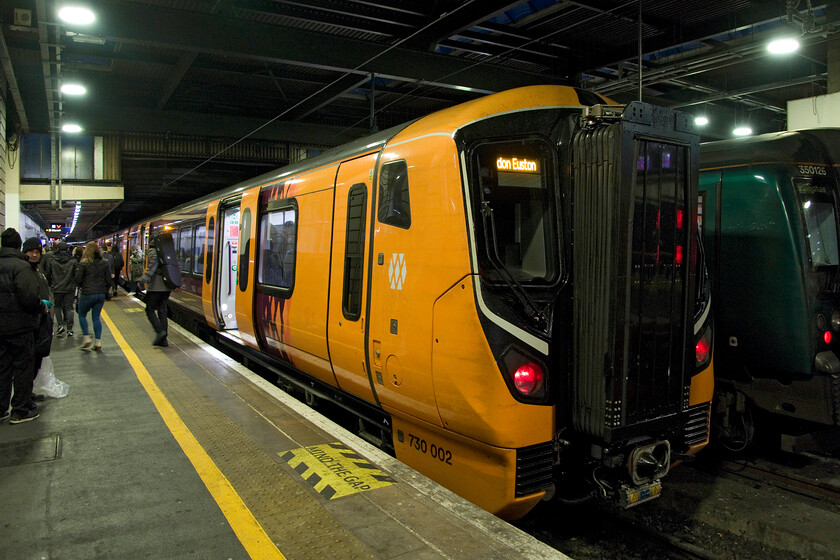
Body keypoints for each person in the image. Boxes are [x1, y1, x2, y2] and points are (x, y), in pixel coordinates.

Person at [0, 228, 48, 424]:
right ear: (19, 246)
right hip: (20, 327)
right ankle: (20, 410)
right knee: (23, 368)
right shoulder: (22, 267)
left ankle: (1, 409)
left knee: (2, 369)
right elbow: (29, 298)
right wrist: (40, 308)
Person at [22, 238, 54, 403]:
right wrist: (41, 305)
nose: (34, 255)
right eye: (31, 252)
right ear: (24, 252)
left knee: (36, 359)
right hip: (30, 322)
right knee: (28, 362)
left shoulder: (37, 269)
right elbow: (27, 297)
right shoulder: (24, 270)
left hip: (41, 320)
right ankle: (24, 399)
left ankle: (28, 393)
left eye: (37, 252)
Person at [139, 232, 177, 347]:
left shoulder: (152, 251)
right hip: (167, 286)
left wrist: (146, 276)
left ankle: (160, 332)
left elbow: (153, 263)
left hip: (156, 286)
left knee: (149, 309)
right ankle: (164, 340)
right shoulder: (167, 251)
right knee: (162, 310)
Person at [75, 241, 111, 352]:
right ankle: (98, 343)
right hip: (100, 294)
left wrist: (82, 286)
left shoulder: (83, 263)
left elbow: (78, 280)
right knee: (96, 317)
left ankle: (86, 338)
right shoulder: (104, 263)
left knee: (82, 315)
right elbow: (109, 280)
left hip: (87, 293)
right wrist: (105, 290)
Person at [46, 241, 78, 337]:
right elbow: (76, 275)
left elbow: (48, 274)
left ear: (57, 248)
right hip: (69, 288)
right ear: (68, 249)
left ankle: (60, 325)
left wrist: (51, 283)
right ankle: (70, 329)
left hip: (56, 287)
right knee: (69, 308)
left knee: (57, 307)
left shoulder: (52, 260)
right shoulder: (73, 261)